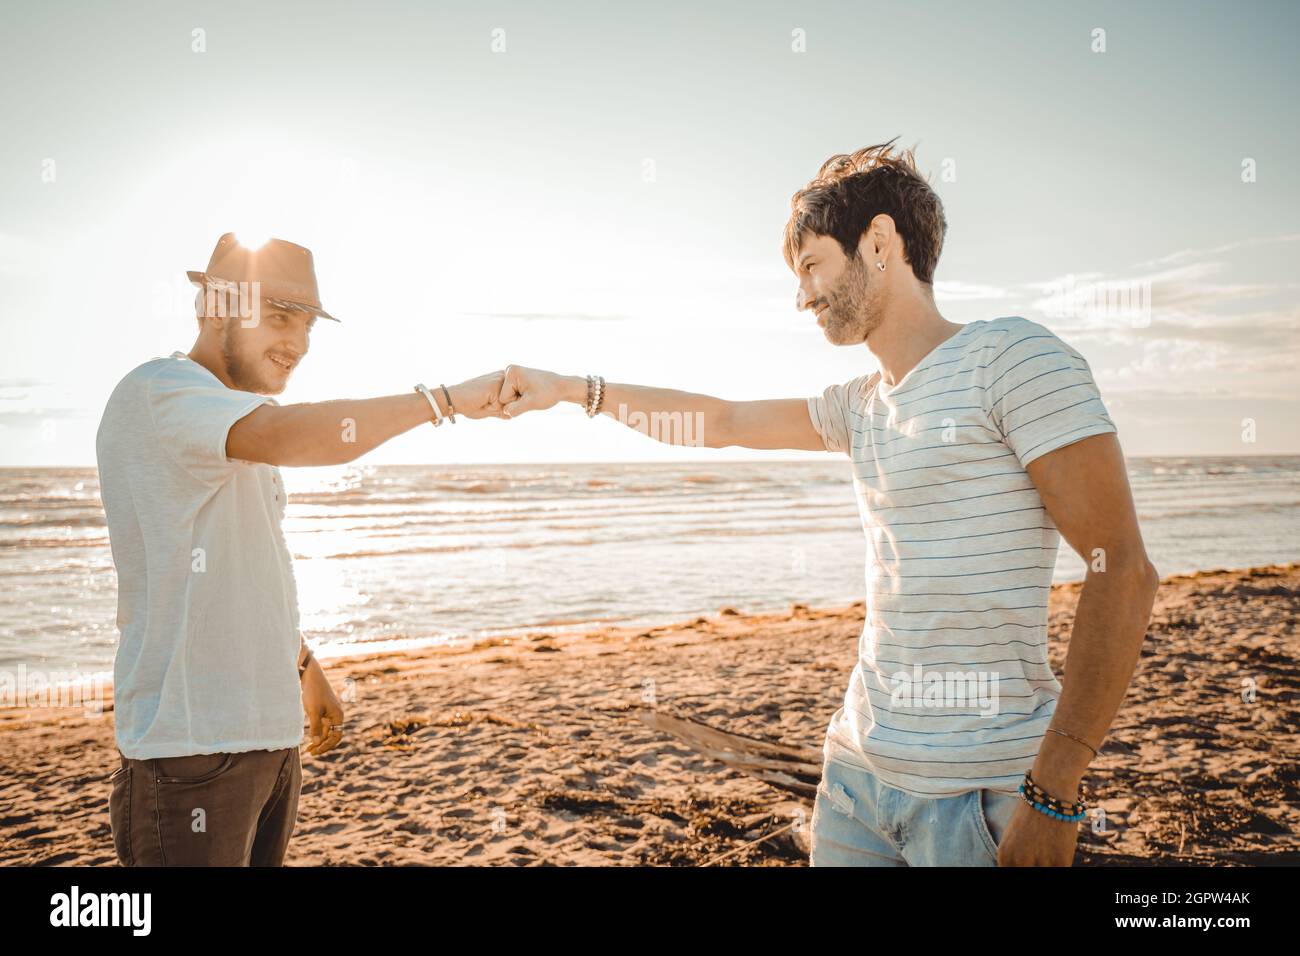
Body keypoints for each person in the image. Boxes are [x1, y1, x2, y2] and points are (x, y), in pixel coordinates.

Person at [494, 140, 1160, 866]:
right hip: (853, 780)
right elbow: (718, 422)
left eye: (811, 265)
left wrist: (1054, 790)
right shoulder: (859, 406)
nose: (802, 296)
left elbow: (1121, 568)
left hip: (978, 793)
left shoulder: (1012, 359)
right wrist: (573, 390)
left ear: (878, 242)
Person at [96, 233, 505, 865]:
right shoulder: (161, 390)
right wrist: (444, 402)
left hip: (269, 741)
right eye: (280, 317)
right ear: (212, 308)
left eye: (308, 325)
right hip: (191, 749)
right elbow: (301, 434)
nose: (298, 344)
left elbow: (249, 569)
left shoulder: (234, 421)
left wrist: (304, 667)